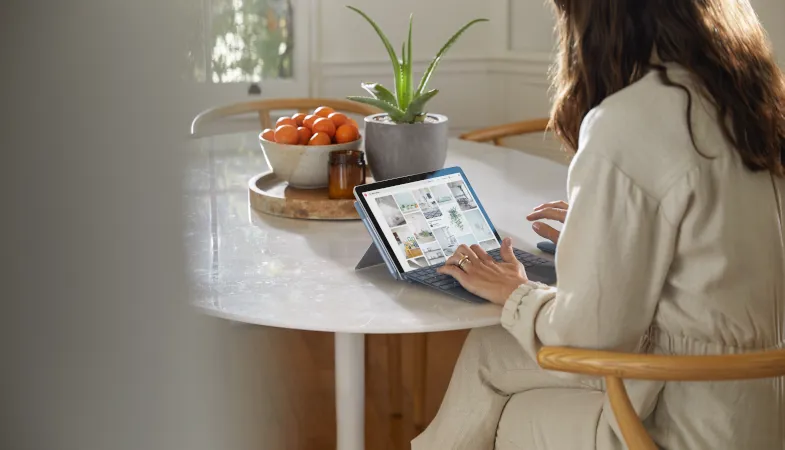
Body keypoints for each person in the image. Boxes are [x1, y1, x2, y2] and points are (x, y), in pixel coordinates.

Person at [412, 0, 785, 449]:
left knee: (504, 413)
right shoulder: (748, 102)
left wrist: (516, 292)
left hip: (684, 421)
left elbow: (592, 338)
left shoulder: (631, 119)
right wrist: (610, 235)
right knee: (489, 349)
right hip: (759, 406)